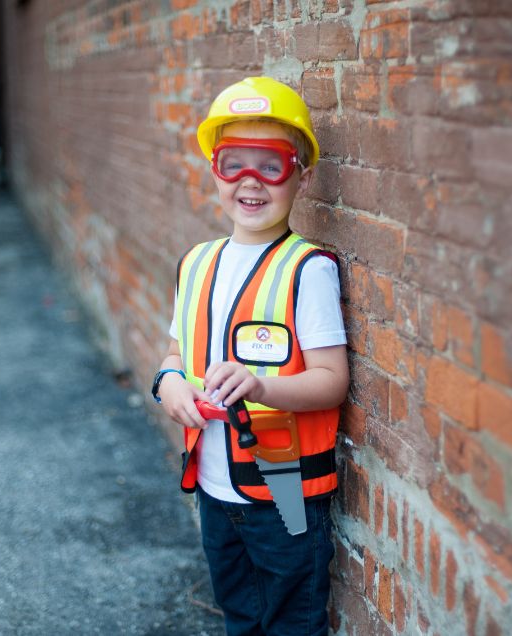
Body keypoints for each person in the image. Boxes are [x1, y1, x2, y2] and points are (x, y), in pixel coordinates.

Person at [151, 76, 349, 636]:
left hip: (285, 488)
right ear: (214, 169)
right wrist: (167, 383)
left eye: (271, 165)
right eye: (232, 163)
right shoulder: (197, 262)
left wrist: (261, 387)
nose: (249, 182)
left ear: (301, 176)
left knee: (292, 621)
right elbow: (174, 353)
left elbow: (331, 381)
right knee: (240, 615)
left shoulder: (307, 270)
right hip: (214, 486)